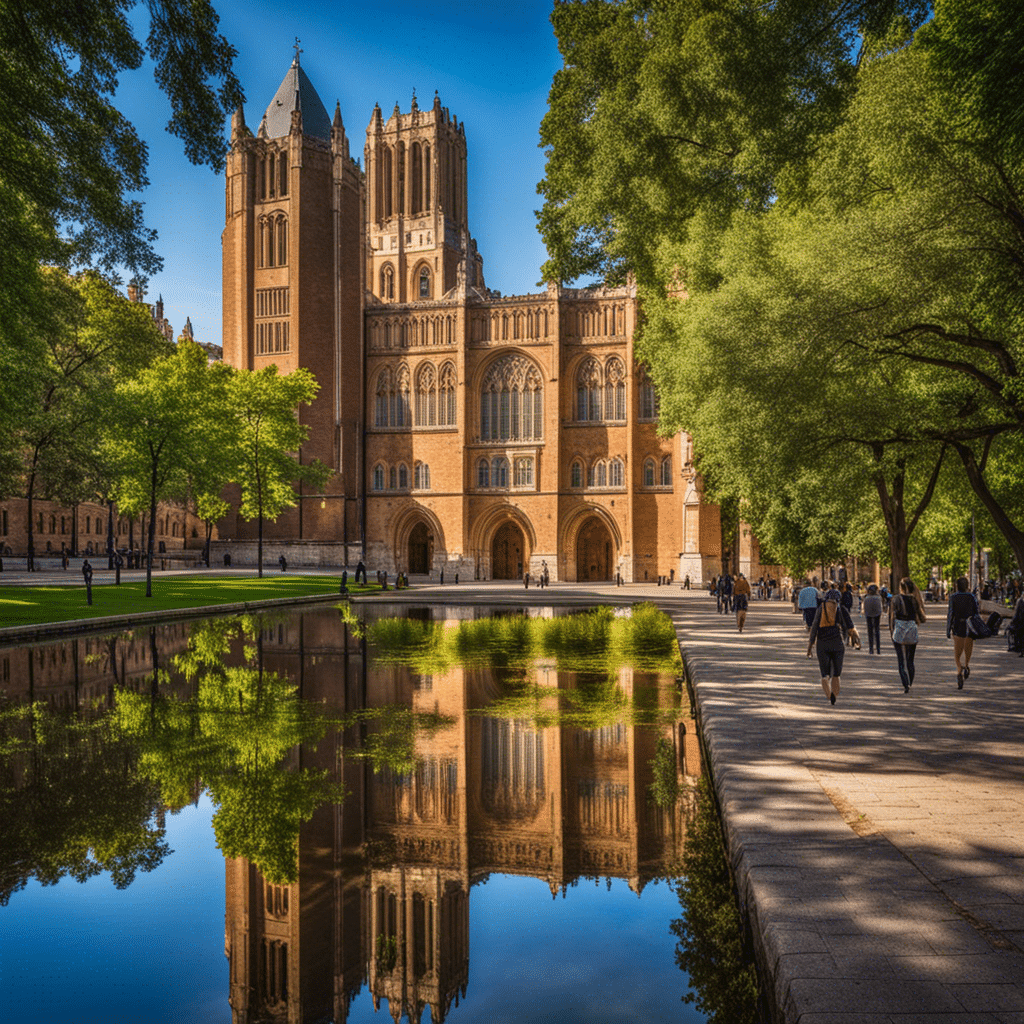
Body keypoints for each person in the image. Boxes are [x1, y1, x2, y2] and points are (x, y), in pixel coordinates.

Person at [807, 590, 855, 704]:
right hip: (837, 643)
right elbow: (849, 627)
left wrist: (810, 646)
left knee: (825, 673)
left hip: (822, 644)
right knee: (836, 674)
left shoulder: (821, 609)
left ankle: (828, 691)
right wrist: (851, 639)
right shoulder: (841, 608)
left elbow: (814, 627)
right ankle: (834, 695)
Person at [890, 577, 927, 693]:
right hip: (911, 628)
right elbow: (922, 618)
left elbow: (892, 617)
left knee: (901, 660)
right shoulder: (914, 600)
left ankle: (905, 684)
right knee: (910, 659)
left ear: (900, 587)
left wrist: (892, 631)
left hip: (899, 629)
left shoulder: (895, 599)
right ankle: (910, 681)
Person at [946, 575, 981, 687]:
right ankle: (966, 665)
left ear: (957, 586)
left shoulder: (953, 597)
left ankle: (959, 669)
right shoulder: (972, 597)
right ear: (967, 586)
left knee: (957, 652)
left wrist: (948, 629)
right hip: (970, 626)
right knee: (968, 649)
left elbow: (950, 614)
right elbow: (976, 613)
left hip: (958, 626)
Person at [862, 584, 883, 655]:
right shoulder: (878, 597)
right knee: (877, 630)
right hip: (877, 614)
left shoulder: (866, 598)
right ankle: (878, 649)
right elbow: (881, 607)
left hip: (868, 614)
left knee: (870, 630)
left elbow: (864, 608)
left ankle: (871, 648)